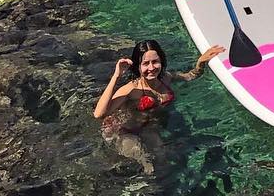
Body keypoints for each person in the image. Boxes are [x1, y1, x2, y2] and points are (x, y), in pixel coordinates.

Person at [94, 39, 222, 174]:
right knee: (146, 163)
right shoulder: (131, 89)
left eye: (155, 62)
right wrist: (116, 75)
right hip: (127, 132)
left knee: (163, 159)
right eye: (145, 63)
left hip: (150, 128)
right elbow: (99, 114)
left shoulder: (166, 77)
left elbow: (190, 76)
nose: (151, 68)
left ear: (161, 61)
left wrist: (200, 62)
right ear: (138, 66)